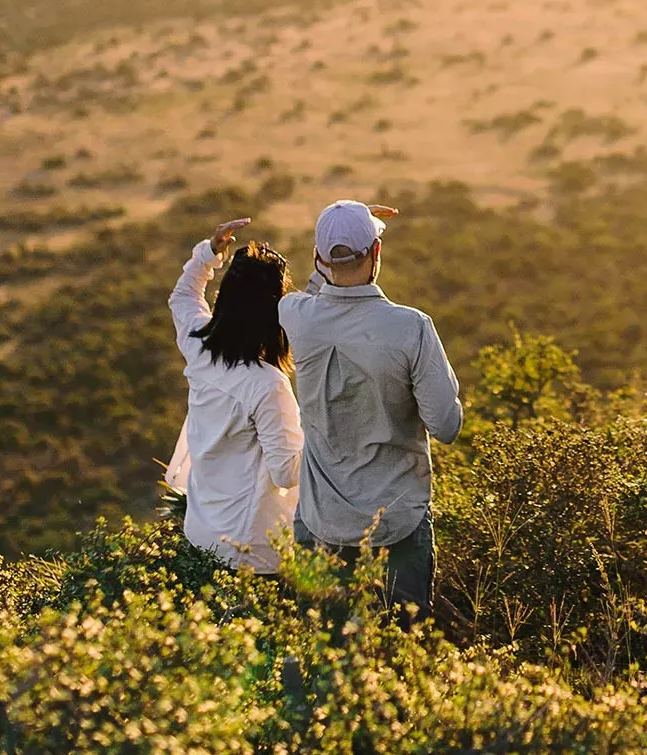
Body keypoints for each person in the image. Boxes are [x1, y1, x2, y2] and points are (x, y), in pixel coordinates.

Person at [276, 199, 462, 615]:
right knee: (400, 645)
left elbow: (313, 293)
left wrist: (340, 231)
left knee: (324, 649)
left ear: (318, 258)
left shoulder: (294, 315)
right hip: (398, 524)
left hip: (320, 523)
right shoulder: (412, 327)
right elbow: (446, 426)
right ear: (377, 251)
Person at [163, 216, 304, 572]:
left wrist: (208, 255)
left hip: (200, 534)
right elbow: (287, 473)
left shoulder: (199, 347)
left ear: (225, 297)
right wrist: (327, 432)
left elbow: (184, 297)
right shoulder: (267, 385)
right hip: (250, 552)